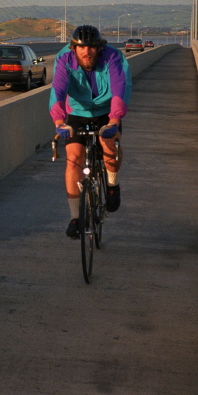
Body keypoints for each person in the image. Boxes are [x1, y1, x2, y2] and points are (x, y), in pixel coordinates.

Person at [49, 25, 131, 238]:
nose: (87, 52)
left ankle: (113, 184)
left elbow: (121, 88)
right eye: (82, 48)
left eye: (92, 48)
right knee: (74, 157)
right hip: (78, 112)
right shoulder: (64, 60)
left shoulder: (113, 57)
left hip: (107, 111)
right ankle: (76, 218)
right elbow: (57, 90)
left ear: (99, 48)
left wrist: (114, 121)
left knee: (109, 146)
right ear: (73, 48)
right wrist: (59, 122)